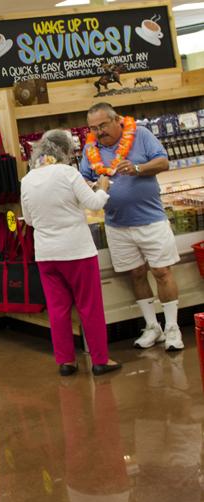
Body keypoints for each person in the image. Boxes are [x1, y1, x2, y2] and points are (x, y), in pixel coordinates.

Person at [79, 103, 180, 351]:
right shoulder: (90, 148)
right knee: (136, 274)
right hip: (116, 224)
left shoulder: (141, 135)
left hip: (152, 220)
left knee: (162, 273)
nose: (98, 132)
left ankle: (172, 328)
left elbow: (163, 162)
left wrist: (138, 169)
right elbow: (83, 177)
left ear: (117, 120)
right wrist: (93, 186)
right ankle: (152, 326)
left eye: (102, 125)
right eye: (93, 128)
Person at [20, 130, 121, 376]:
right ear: (65, 150)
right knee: (90, 307)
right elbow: (95, 204)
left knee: (58, 309)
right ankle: (100, 359)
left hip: (46, 254)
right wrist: (103, 186)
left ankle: (66, 361)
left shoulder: (28, 179)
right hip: (77, 251)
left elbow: (31, 220)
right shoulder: (68, 173)